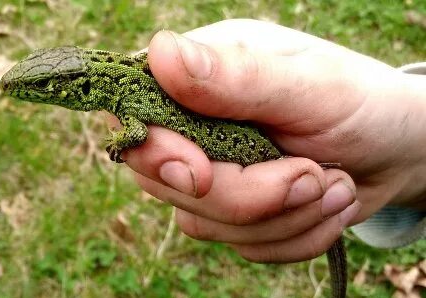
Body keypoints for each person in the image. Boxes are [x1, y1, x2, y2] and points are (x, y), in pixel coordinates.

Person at [109, 19, 426, 263]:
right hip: (256, 149)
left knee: (277, 190)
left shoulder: (124, 93)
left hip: (249, 147)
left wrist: (119, 140)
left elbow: (137, 134)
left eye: (57, 86)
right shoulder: (124, 79)